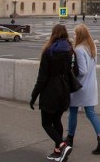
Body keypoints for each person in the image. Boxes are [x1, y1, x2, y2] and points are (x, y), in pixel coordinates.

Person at [30, 24, 75, 162]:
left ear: (53, 34)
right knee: (57, 120)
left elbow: (42, 77)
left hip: (51, 91)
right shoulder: (70, 50)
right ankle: (58, 153)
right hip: (64, 89)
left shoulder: (48, 52)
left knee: (46, 123)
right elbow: (72, 71)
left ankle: (62, 145)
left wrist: (34, 96)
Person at [65, 24, 100, 154]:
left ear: (80, 35)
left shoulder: (79, 49)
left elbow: (82, 71)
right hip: (91, 84)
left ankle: (70, 139)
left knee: (73, 111)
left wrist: (70, 72)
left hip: (80, 86)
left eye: (74, 33)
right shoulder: (92, 46)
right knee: (90, 112)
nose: (73, 36)